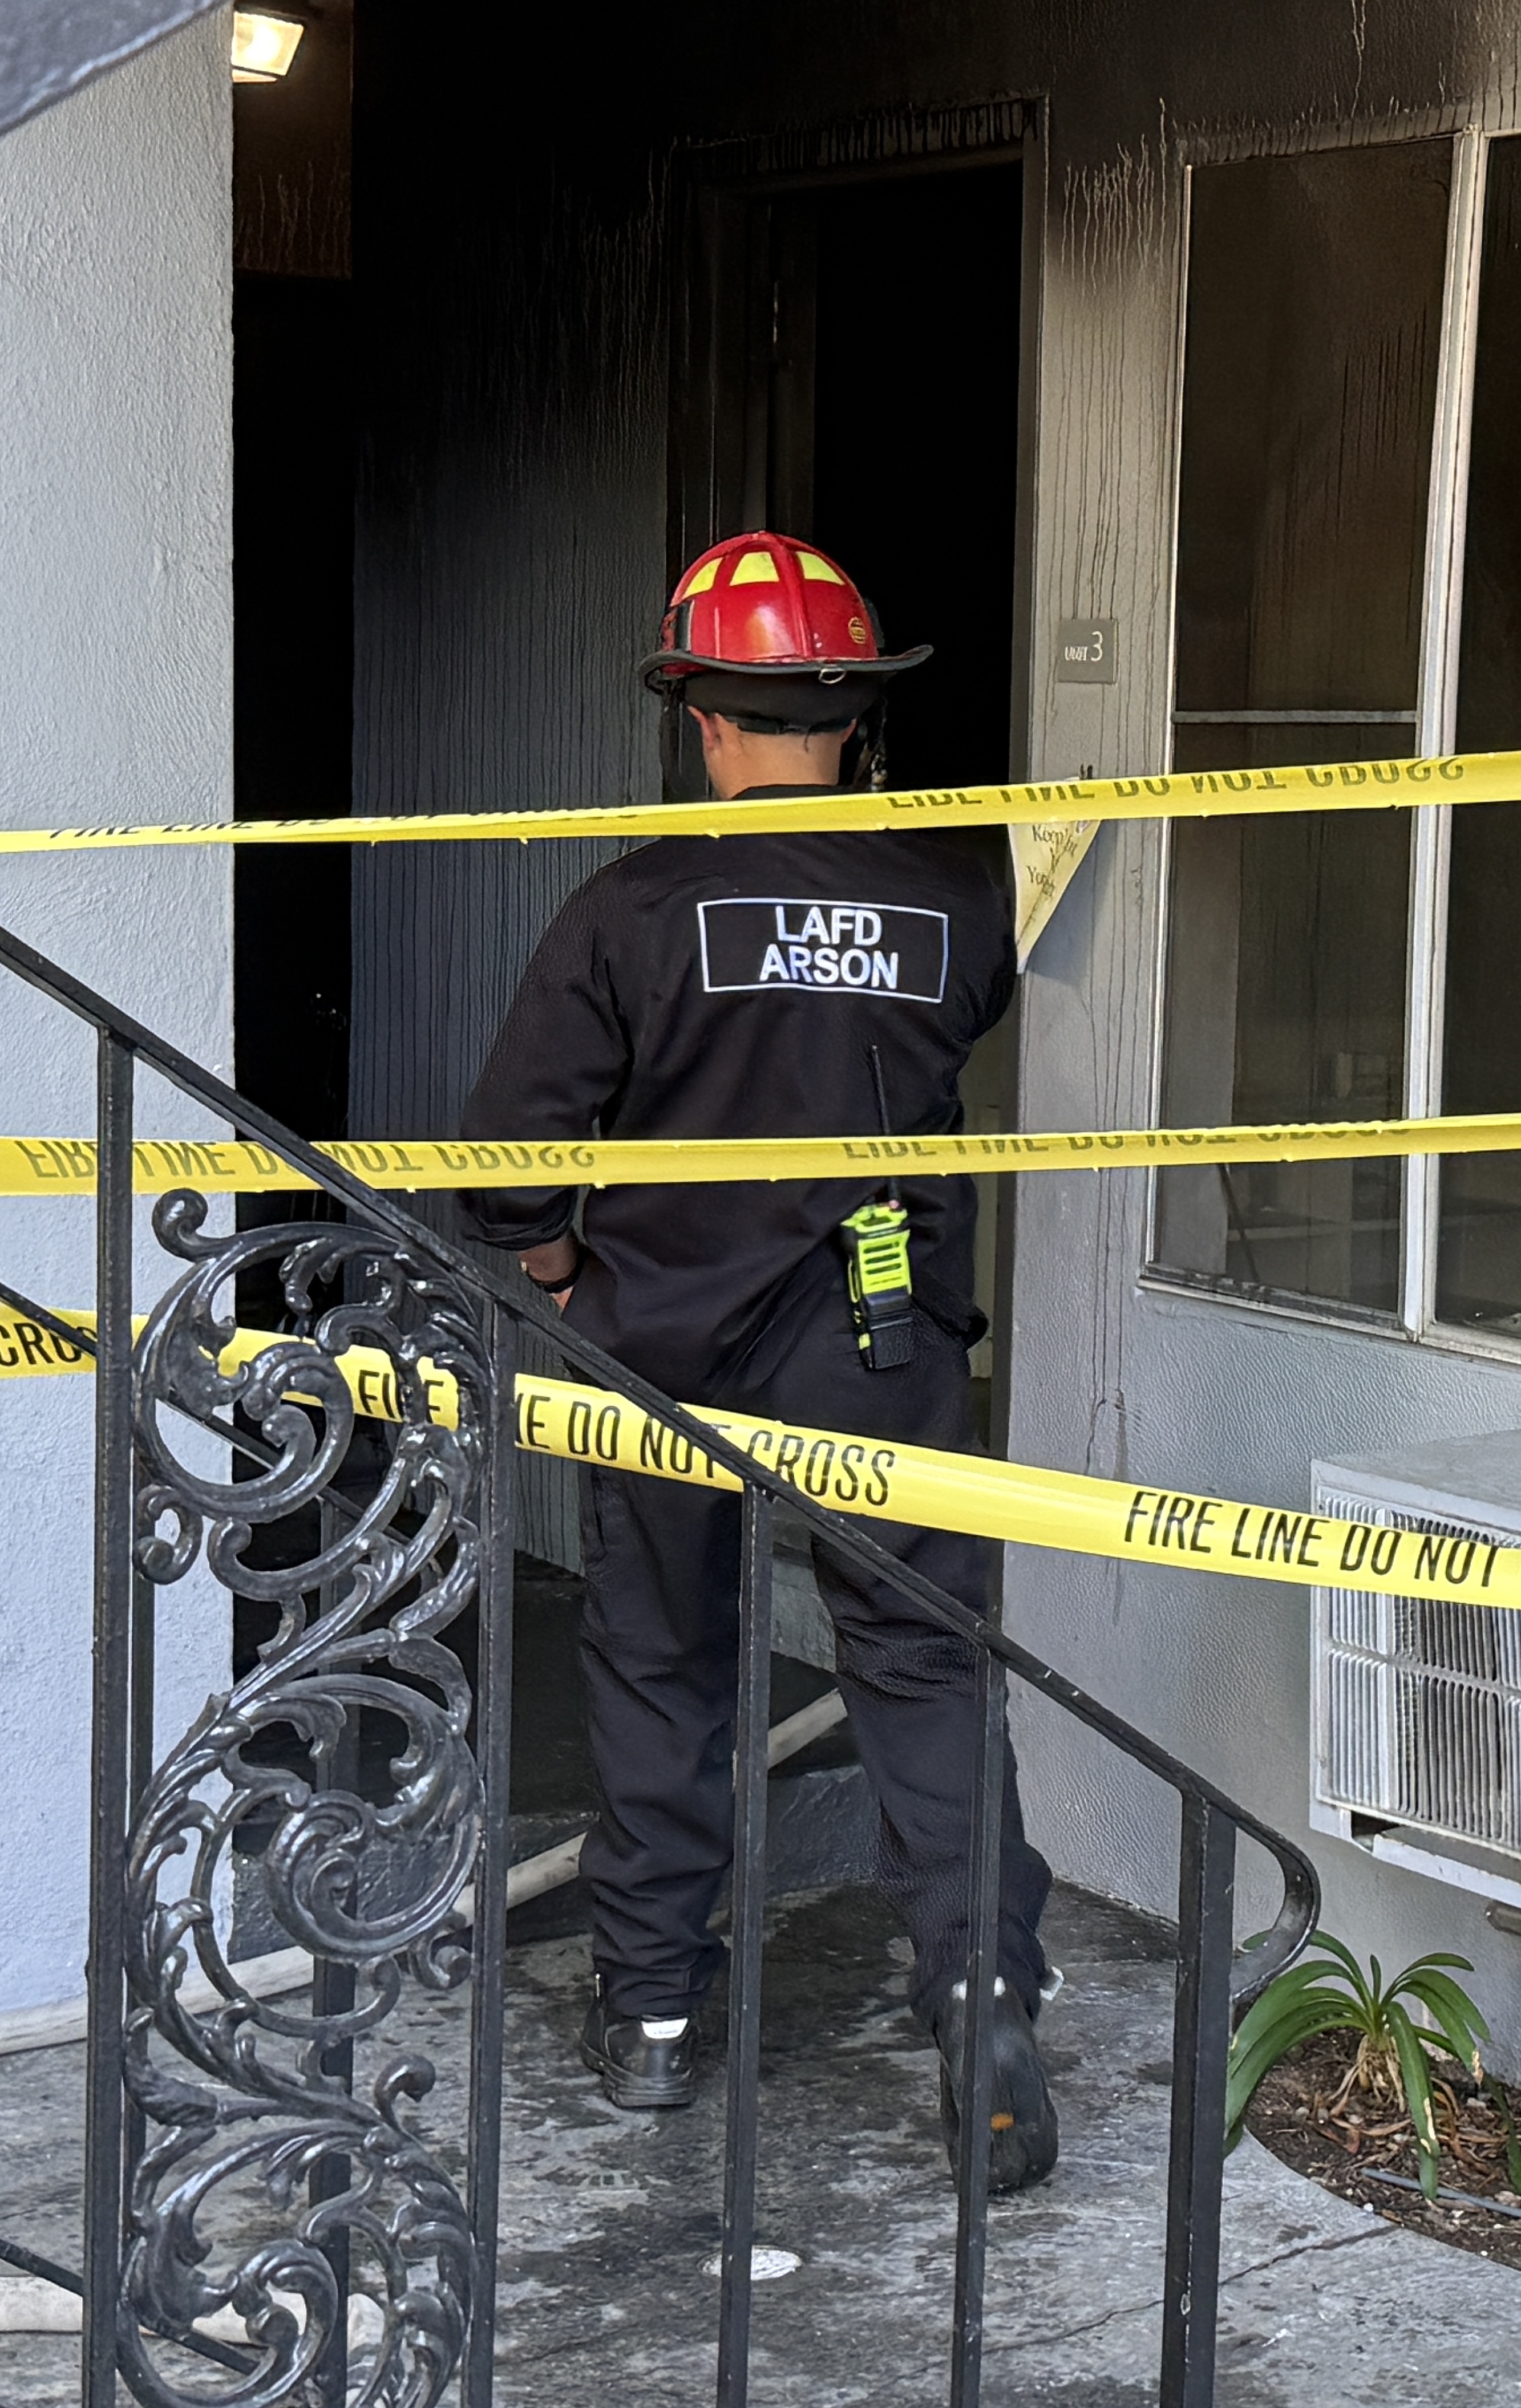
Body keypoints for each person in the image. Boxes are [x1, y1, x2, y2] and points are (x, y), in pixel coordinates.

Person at [457, 530, 1055, 2191]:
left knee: (663, 1660)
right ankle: (982, 1986)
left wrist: (563, 1270)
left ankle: (651, 2013)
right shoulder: (952, 891)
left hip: (662, 1344)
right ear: (855, 717)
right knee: (924, 1661)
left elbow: (512, 1155)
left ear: (700, 720)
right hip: (886, 1335)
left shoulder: (632, 907)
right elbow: (959, 1027)